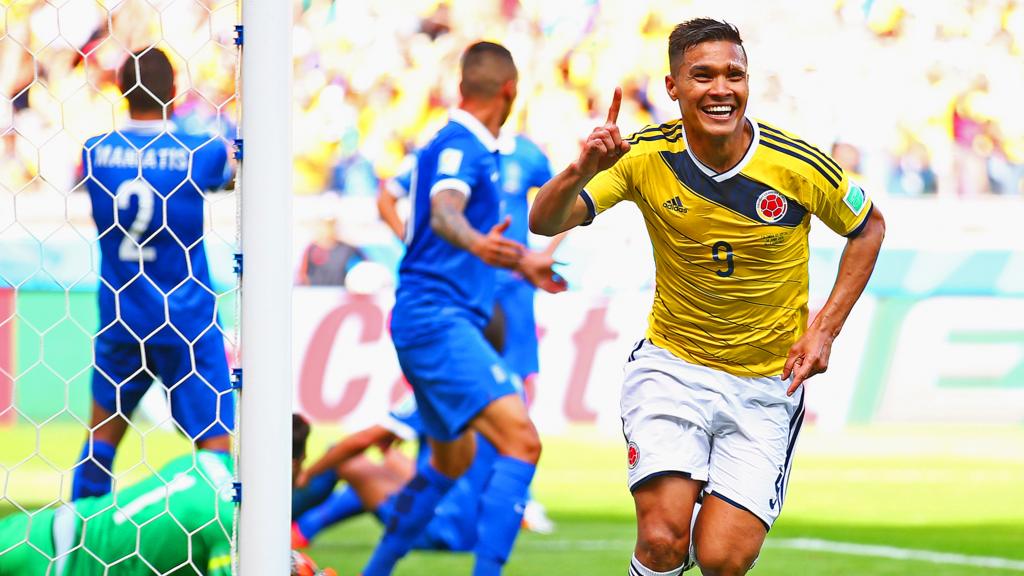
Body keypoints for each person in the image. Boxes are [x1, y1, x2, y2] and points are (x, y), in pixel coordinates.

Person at [530, 18, 885, 576]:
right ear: (672, 87)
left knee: (722, 559)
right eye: (702, 76)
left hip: (768, 384)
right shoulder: (643, 155)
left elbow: (868, 228)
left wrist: (824, 328)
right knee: (663, 539)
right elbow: (545, 220)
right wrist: (579, 170)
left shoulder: (798, 165)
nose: (722, 89)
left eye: (734, 75)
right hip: (674, 368)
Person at [361, 41, 561, 576]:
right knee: (522, 441)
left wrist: (522, 261)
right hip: (437, 321)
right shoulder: (463, 147)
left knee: (453, 461)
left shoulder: (464, 148)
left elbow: (444, 226)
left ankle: (375, 570)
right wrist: (477, 245)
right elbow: (445, 212)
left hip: (434, 318)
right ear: (509, 91)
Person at [75, 47, 235, 500]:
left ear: (121, 90)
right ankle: (220, 548)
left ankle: (75, 546)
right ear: (175, 92)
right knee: (215, 447)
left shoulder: (95, 152)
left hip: (122, 315)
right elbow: (228, 172)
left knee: (101, 441)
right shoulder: (199, 149)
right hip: (187, 319)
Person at [0, 415, 333, 576]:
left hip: (36, 529)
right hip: (58, 567)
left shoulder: (207, 461)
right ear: (289, 464)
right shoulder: (231, 521)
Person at [378, 133, 565, 402]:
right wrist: (414, 244)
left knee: (517, 374)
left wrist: (542, 254)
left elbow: (568, 198)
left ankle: (507, 441)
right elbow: (386, 197)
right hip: (461, 284)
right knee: (452, 372)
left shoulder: (527, 152)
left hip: (513, 284)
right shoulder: (447, 149)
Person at [292, 392, 501, 552]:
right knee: (390, 460)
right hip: (475, 533)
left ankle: (291, 523)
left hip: (434, 528)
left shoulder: (435, 388)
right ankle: (304, 527)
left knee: (340, 458)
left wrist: (308, 474)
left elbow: (363, 440)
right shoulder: (495, 390)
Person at [296, 214, 367, 287]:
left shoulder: (347, 248)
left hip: (339, 292)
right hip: (316, 293)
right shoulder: (311, 249)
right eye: (324, 225)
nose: (327, 229)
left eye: (331, 225)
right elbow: (302, 275)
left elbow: (365, 267)